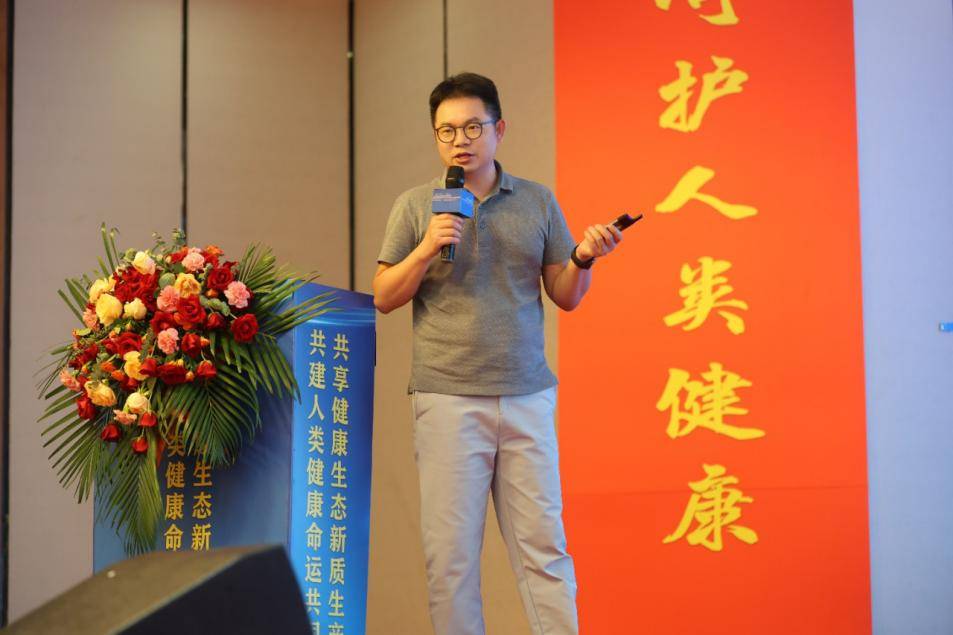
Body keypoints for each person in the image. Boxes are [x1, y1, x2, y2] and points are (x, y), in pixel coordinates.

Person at [373, 72, 623, 635]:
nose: (459, 140)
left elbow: (565, 295)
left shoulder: (536, 201)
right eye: (446, 131)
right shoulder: (416, 205)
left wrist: (583, 258)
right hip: (447, 398)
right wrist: (427, 246)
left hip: (526, 395)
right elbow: (384, 296)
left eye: (472, 127)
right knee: (451, 560)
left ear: (499, 129)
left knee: (545, 550)